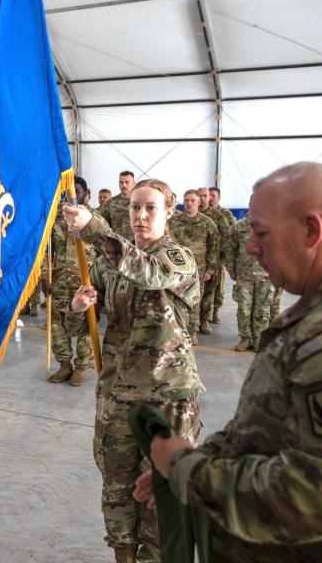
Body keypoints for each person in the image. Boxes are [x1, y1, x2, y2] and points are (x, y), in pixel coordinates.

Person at [137, 162, 322, 562]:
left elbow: (316, 499)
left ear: (312, 230)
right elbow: (271, 425)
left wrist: (185, 468)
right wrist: (205, 459)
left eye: (261, 232)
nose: (250, 247)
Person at [63, 178, 203, 563]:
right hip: (117, 399)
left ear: (168, 212)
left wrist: (94, 228)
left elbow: (148, 273)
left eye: (150, 208)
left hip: (167, 401)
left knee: (163, 499)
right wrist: (77, 309)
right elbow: (85, 320)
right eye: (134, 208)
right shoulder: (109, 265)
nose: (140, 215)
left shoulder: (178, 259)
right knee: (118, 493)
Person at [43, 176, 97, 386]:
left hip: (84, 284)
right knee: (56, 325)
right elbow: (46, 253)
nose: (72, 197)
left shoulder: (95, 222)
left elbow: (105, 255)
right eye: (67, 193)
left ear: (86, 194)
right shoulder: (56, 222)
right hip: (58, 282)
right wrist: (44, 276)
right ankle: (64, 365)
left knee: (85, 326)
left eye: (77, 192)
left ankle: (82, 367)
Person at [169, 189, 219, 344]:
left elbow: (214, 247)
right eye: (186, 200)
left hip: (198, 269)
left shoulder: (207, 223)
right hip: (177, 269)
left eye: (192, 200)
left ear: (199, 202)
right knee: (175, 300)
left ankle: (192, 332)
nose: (189, 203)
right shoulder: (174, 222)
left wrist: (210, 269)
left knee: (194, 301)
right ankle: (176, 330)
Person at [223, 215, 276, 352]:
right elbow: (229, 248)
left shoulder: (273, 225)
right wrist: (231, 269)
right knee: (244, 309)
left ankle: (258, 338)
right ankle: (245, 338)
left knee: (262, 310)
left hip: (266, 276)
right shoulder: (238, 226)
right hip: (244, 276)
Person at [203, 187, 236, 326]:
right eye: (208, 195)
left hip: (219, 256)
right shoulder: (202, 212)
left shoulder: (224, 214)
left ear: (219, 197)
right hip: (205, 255)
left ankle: (215, 311)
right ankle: (204, 314)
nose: (210, 198)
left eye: (213, 195)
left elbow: (230, 233)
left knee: (218, 287)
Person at [99, 170, 136, 241]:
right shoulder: (110, 203)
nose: (124, 185)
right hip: (117, 244)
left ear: (134, 183)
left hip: (136, 245)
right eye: (121, 182)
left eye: (127, 182)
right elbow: (104, 225)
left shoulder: (140, 202)